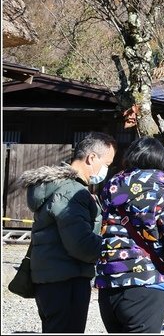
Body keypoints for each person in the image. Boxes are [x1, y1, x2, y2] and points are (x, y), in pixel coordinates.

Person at [17, 132, 116, 333]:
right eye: (107, 164)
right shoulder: (72, 190)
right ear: (91, 158)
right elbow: (80, 243)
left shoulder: (55, 186)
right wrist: (112, 247)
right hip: (67, 279)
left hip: (48, 277)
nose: (106, 169)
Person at [95, 137, 164, 333]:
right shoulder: (161, 193)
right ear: (161, 161)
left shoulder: (109, 190)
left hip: (108, 286)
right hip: (146, 285)